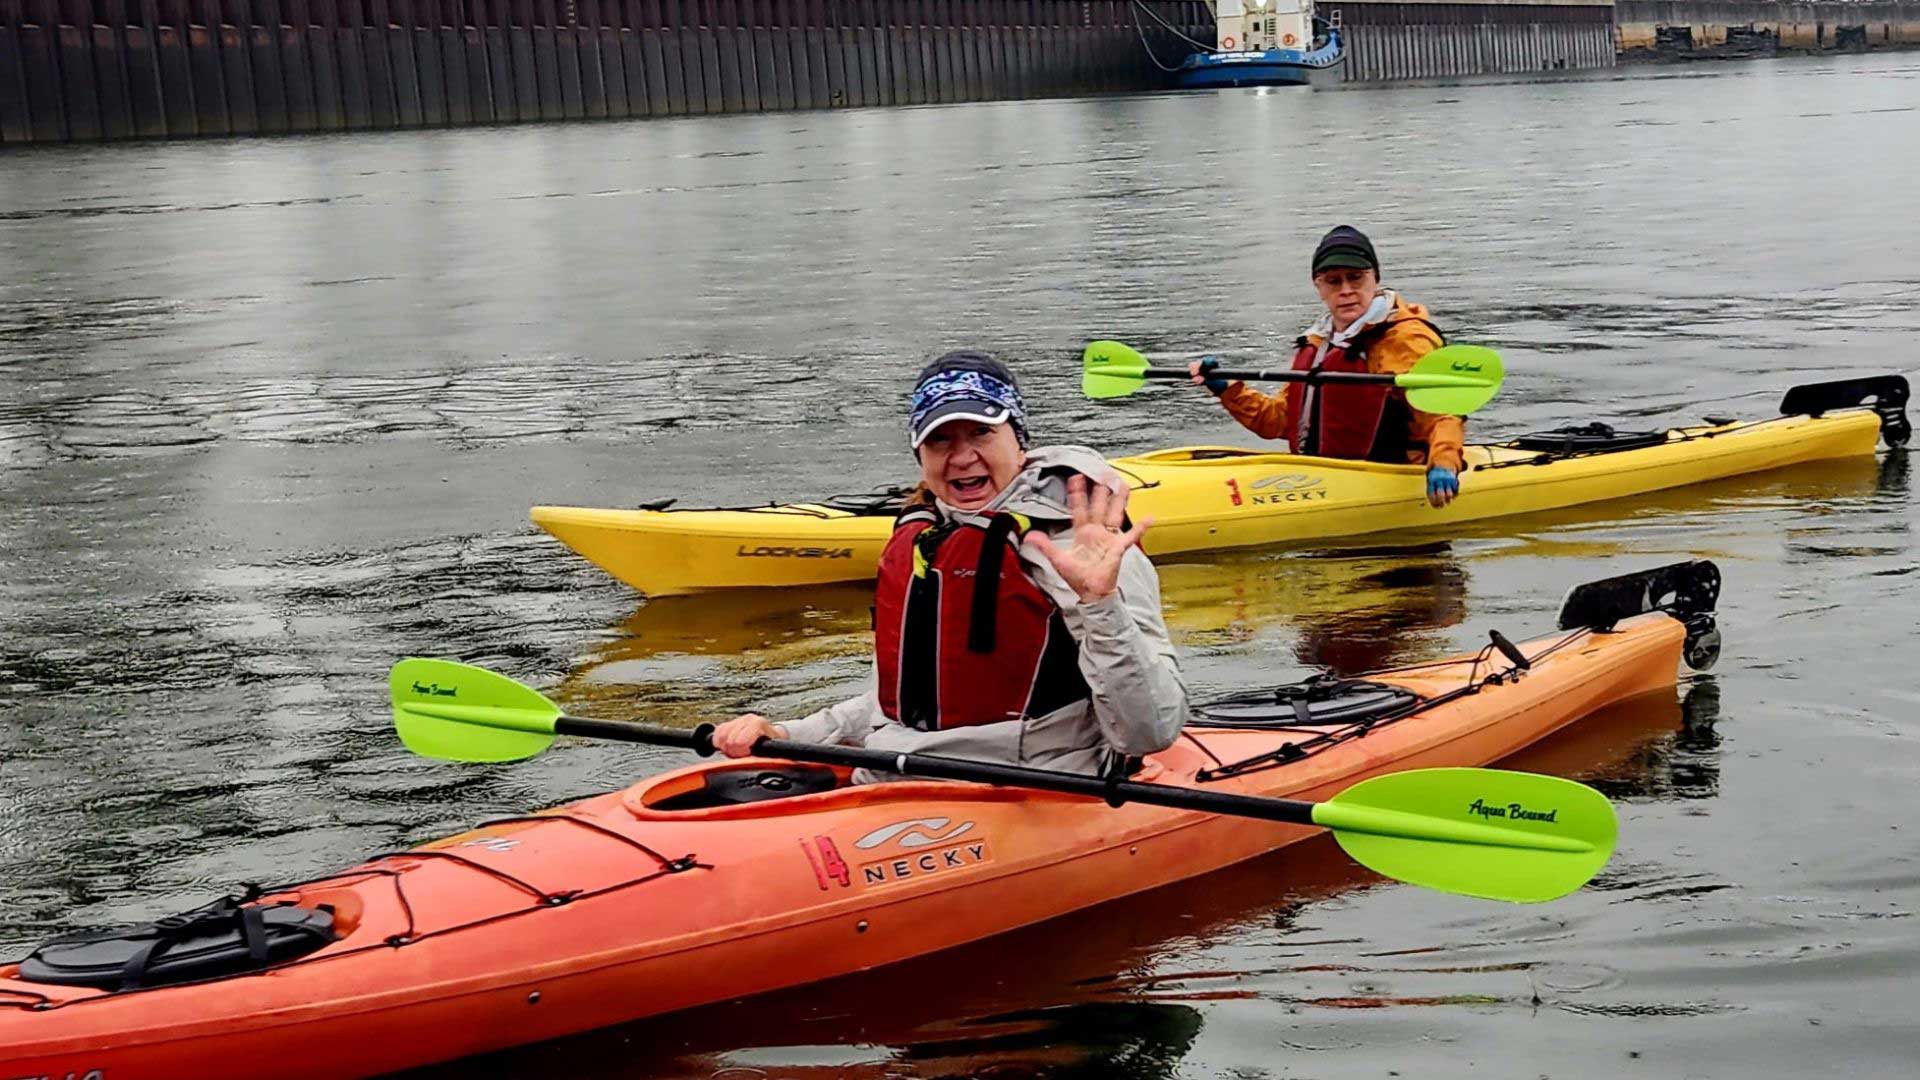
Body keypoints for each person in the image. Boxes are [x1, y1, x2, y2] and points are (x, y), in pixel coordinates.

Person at [710, 351, 1188, 778]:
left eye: (981, 432)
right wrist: (787, 734)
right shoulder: (926, 536)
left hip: (1031, 786)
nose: (962, 457)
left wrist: (1101, 604)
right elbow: (893, 710)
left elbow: (1150, 732)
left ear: (1018, 440)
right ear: (921, 454)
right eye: (941, 441)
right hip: (901, 772)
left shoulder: (1084, 545)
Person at [1190, 225, 1465, 508]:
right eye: (1334, 281)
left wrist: (1443, 462)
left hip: (1394, 476)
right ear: (1319, 287)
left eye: (1356, 278)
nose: (1346, 290)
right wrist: (1227, 389)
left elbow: (1441, 414)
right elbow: (1280, 422)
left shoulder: (1406, 339)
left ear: (1376, 279)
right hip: (1322, 479)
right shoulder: (1319, 342)